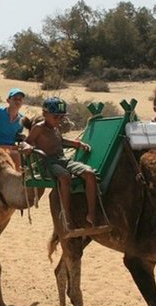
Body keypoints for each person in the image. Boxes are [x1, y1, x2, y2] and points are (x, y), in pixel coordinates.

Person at [22, 97, 107, 235]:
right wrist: (26, 147)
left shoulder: (56, 128)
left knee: (90, 174)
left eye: (61, 117)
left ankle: (92, 213)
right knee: (64, 176)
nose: (59, 120)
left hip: (62, 160)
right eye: (56, 116)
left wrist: (77, 144)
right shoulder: (38, 128)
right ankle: (66, 216)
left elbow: (61, 141)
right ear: (45, 114)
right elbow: (27, 141)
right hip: (47, 162)